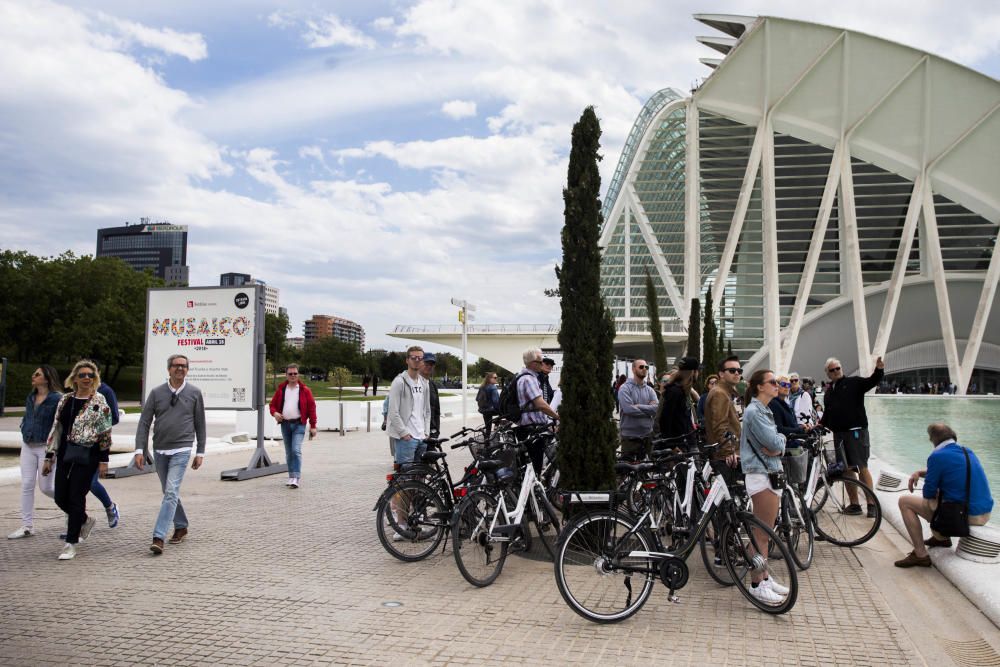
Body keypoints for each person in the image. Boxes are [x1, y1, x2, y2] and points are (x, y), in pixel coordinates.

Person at [133, 354, 207, 555]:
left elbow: (200, 424)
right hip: (160, 450)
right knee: (169, 492)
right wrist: (140, 449)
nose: (180, 369)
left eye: (183, 366)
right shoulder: (156, 393)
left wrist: (200, 451)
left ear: (188, 369)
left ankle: (158, 536)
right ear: (169, 369)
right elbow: (145, 422)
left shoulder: (195, 393)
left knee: (171, 491)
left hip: (182, 449)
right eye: (176, 366)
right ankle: (181, 525)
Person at [40, 360, 113, 560]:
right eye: (82, 375)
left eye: (90, 375)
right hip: (65, 452)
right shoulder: (65, 400)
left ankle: (70, 543)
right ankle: (84, 520)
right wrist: (49, 456)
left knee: (76, 496)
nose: (86, 378)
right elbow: (57, 428)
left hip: (88, 454)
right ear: (74, 378)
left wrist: (104, 460)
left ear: (95, 378)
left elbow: (105, 432)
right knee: (60, 496)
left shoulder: (99, 401)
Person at [895, 423, 994, 567]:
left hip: (966, 515)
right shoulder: (967, 451)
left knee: (905, 502)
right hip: (984, 513)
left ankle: (920, 554)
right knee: (946, 493)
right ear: (953, 436)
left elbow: (928, 493)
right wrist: (921, 473)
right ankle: (941, 539)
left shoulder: (936, 456)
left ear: (932, 440)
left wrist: (933, 486)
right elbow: (952, 470)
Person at [740, 368, 790, 603]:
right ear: (759, 386)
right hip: (762, 475)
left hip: (767, 473)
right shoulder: (755, 412)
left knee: (765, 533)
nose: (776, 384)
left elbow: (776, 442)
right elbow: (772, 441)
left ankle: (765, 577)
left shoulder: (763, 410)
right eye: (772, 382)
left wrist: (779, 442)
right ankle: (756, 583)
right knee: (762, 534)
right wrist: (780, 442)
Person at [821, 356, 884, 517]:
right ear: (828, 373)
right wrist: (819, 425)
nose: (836, 372)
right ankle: (855, 504)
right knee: (846, 469)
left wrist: (879, 370)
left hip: (856, 431)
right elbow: (828, 413)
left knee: (861, 466)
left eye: (838, 368)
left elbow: (872, 381)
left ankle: (872, 505)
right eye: (832, 370)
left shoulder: (854, 382)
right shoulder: (829, 392)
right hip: (839, 434)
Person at [9, 365, 61, 539]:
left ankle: (74, 509)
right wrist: (23, 427)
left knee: (46, 487)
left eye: (37, 374)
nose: (33, 376)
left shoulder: (57, 399)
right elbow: (27, 417)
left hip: (46, 448)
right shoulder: (30, 397)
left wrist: (52, 452)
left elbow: (58, 426)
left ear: (47, 378)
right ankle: (27, 526)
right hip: (28, 445)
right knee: (26, 484)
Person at [268, 363, 318, 489]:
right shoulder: (281, 390)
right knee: (289, 453)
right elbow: (272, 405)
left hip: (299, 425)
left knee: (295, 450)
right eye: (290, 374)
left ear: (298, 374)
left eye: (295, 373)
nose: (293, 376)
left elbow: (312, 408)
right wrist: (275, 413)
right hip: (285, 425)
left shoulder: (304, 390)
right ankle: (291, 476)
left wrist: (313, 425)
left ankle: (296, 477)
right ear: (286, 375)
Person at [515, 348, 560, 473]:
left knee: (534, 467)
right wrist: (557, 417)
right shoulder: (528, 379)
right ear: (533, 363)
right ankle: (532, 490)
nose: (543, 364)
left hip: (533, 427)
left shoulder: (529, 378)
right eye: (541, 362)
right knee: (536, 469)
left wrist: (548, 422)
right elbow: (541, 405)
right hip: (532, 429)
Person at [386, 346, 431, 469]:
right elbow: (393, 411)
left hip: (422, 437)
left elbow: (427, 411)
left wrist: (426, 432)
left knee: (420, 478)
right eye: (413, 358)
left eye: (420, 358)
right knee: (406, 477)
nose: (417, 360)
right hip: (407, 439)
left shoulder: (424, 383)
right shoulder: (399, 382)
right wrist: (404, 433)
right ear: (407, 360)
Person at [705, 356, 742, 475]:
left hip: (730, 454)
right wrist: (728, 452)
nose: (736, 373)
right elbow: (720, 426)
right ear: (721, 374)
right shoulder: (719, 393)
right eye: (732, 370)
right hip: (726, 457)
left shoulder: (726, 392)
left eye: (739, 371)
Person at [618, 359, 659, 460]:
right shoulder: (624, 388)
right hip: (630, 438)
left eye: (646, 367)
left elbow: (657, 409)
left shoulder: (650, 390)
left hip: (648, 436)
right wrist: (649, 411)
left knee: (652, 470)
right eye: (641, 367)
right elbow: (628, 409)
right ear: (633, 369)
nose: (644, 369)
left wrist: (639, 406)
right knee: (628, 470)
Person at [658, 357, 699, 451]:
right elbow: (664, 420)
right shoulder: (674, 391)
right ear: (693, 372)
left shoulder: (683, 390)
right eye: (697, 371)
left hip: (688, 441)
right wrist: (672, 446)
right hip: (679, 445)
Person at [419, 353, 440, 439]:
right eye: (426, 363)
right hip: (416, 432)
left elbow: (437, 409)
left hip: (431, 432)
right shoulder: (412, 383)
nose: (429, 366)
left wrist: (437, 429)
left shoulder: (433, 385)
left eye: (431, 364)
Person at [477, 372, 500, 439]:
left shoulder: (482, 387)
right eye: (495, 377)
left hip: (483, 410)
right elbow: (496, 402)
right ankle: (496, 425)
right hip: (491, 410)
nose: (496, 379)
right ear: (490, 379)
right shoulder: (493, 388)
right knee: (504, 412)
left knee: (488, 429)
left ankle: (487, 444)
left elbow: (477, 399)